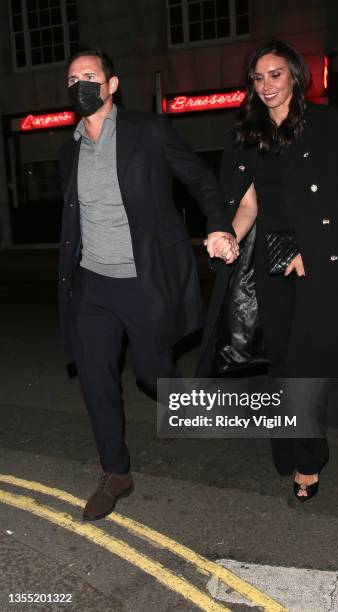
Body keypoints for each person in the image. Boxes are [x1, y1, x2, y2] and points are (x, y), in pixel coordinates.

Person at [196, 41, 338, 501]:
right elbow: (248, 202)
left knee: (305, 363)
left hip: (314, 255)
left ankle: (307, 459)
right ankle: (288, 445)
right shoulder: (247, 131)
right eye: (258, 78)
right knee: (280, 360)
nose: (267, 86)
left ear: (295, 76)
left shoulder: (321, 123)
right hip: (269, 257)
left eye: (276, 75)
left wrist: (318, 251)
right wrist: (230, 236)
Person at [58, 48, 238, 521]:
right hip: (93, 285)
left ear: (111, 84)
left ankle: (177, 395)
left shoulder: (148, 131)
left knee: (150, 375)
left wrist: (219, 225)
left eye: (90, 76)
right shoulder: (69, 147)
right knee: (96, 380)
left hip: (144, 279)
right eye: (73, 78)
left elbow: (199, 179)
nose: (81, 85)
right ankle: (116, 472)